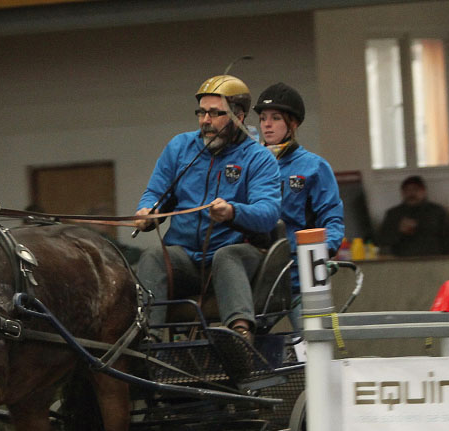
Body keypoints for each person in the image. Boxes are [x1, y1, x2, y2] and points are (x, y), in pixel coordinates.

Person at [134, 74, 281, 339]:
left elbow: (268, 214)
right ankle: (147, 340)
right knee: (154, 257)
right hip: (187, 257)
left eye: (215, 114)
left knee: (226, 256)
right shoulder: (179, 148)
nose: (205, 121)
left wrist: (233, 212)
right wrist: (148, 211)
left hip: (237, 253)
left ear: (238, 116)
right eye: (201, 113)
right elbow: (156, 193)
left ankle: (240, 336)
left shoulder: (259, 158)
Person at [254, 82, 344, 315]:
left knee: (313, 341)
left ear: (292, 124)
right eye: (263, 118)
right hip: (261, 271)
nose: (267, 125)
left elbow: (332, 219)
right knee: (251, 341)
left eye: (275, 118)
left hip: (302, 271)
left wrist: (323, 251)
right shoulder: (251, 165)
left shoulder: (314, 167)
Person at [377, 175, 449, 256]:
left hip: (433, 260)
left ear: (424, 191)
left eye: (416, 189)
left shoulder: (438, 212)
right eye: (407, 190)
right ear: (402, 193)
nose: (411, 193)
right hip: (403, 261)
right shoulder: (393, 214)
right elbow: (382, 241)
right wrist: (398, 231)